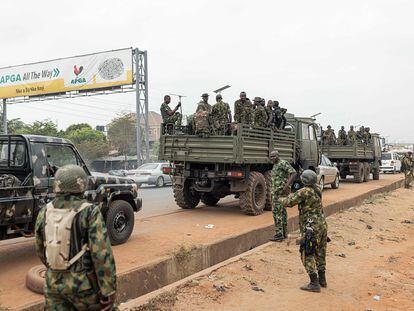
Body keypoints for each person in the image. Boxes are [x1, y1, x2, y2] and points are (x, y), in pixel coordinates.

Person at [35, 165, 116, 310]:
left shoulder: (44, 211)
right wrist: (108, 289)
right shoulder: (90, 211)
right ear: (82, 184)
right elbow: (101, 253)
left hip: (53, 285)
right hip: (83, 286)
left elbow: (40, 249)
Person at [279, 170, 328, 292]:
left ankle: (314, 283)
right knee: (320, 252)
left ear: (304, 180)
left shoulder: (304, 192)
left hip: (311, 227)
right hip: (322, 225)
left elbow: (289, 202)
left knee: (307, 253)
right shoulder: (317, 189)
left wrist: (279, 198)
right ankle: (322, 279)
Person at [269, 150, 297, 242]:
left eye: (274, 156)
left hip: (280, 192)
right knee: (282, 212)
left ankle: (279, 234)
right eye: (271, 156)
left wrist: (287, 186)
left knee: (276, 212)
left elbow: (294, 173)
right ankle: (284, 233)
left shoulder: (282, 163)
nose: (272, 158)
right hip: (276, 192)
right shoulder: (275, 165)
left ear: (278, 156)